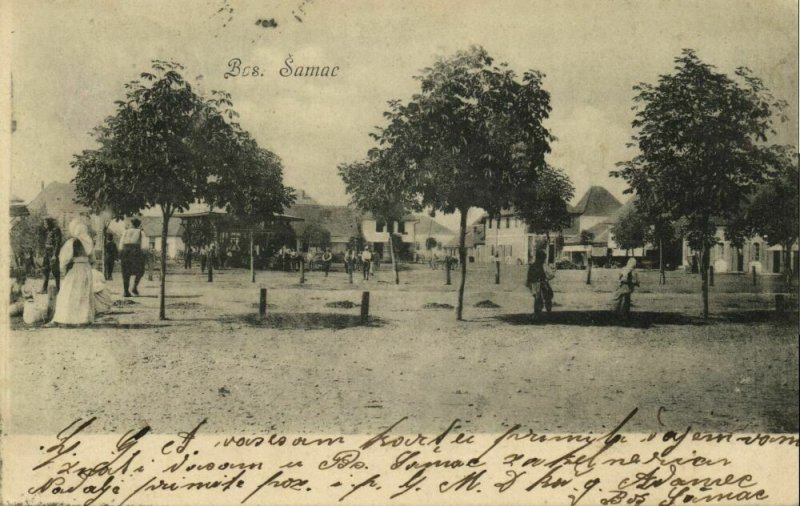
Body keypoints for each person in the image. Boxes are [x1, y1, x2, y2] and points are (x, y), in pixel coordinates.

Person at [51, 220, 95, 326]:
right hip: (86, 269)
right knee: (83, 294)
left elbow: (65, 258)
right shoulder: (89, 241)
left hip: (76, 269)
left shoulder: (72, 242)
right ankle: (82, 319)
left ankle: (67, 319)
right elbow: (93, 259)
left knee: (69, 292)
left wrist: (63, 267)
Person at [119, 218, 145, 297]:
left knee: (125, 272)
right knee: (140, 271)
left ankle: (126, 291)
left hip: (125, 252)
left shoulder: (125, 231)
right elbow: (145, 246)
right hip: (136, 252)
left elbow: (120, 245)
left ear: (132, 224)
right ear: (139, 224)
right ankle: (134, 287)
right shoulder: (141, 232)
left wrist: (121, 254)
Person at [526, 249, 554, 319]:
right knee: (546, 296)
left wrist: (529, 283)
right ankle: (543, 312)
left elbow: (529, 277)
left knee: (540, 298)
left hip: (536, 284)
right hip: (541, 283)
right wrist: (547, 278)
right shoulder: (543, 265)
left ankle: (539, 312)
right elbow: (551, 275)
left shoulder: (533, 266)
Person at [40, 218, 62, 293]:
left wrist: (55, 255)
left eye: (46, 223)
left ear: (49, 223)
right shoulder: (48, 231)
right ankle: (44, 289)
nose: (45, 225)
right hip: (47, 252)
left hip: (52, 253)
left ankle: (58, 289)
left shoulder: (56, 230)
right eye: (44, 224)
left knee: (55, 271)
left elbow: (57, 243)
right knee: (45, 270)